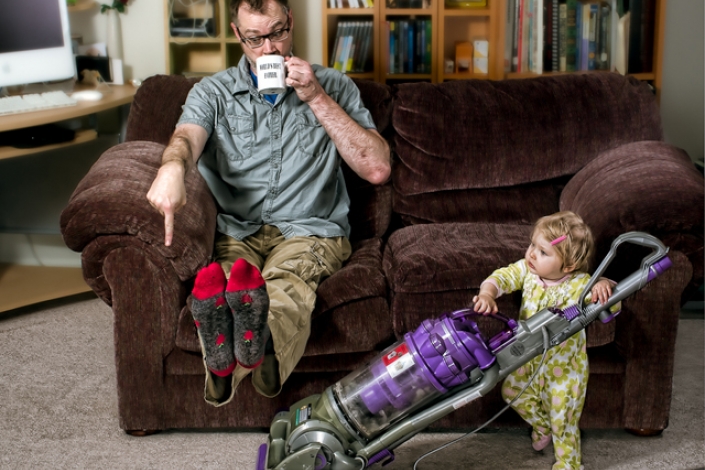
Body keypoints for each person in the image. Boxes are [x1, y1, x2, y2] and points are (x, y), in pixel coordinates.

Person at [146, 0, 390, 406]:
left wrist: (315, 97)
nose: (269, 49)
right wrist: (172, 167)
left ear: (291, 22)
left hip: (309, 230)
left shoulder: (334, 85)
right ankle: (253, 356)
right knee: (226, 284)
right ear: (237, 34)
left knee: (285, 285)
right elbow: (186, 138)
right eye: (255, 39)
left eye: (277, 33)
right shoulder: (213, 92)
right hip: (236, 230)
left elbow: (377, 168)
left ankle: (228, 366)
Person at [472, 211, 619, 470]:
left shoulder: (580, 285)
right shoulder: (526, 272)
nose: (531, 254)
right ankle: (541, 425)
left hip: (565, 369)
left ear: (569, 265)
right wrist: (487, 293)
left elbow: (611, 305)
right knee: (511, 392)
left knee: (564, 421)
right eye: (532, 245)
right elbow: (501, 277)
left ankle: (568, 464)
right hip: (527, 359)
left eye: (542, 252)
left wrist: (604, 284)